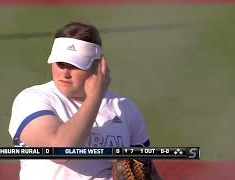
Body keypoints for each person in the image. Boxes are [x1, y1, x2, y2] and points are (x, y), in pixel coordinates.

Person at [9, 22, 157, 180]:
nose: (65, 73)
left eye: (74, 65)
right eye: (60, 64)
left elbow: (147, 171)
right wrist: (95, 96)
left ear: (98, 65)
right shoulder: (32, 99)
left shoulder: (124, 108)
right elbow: (59, 151)